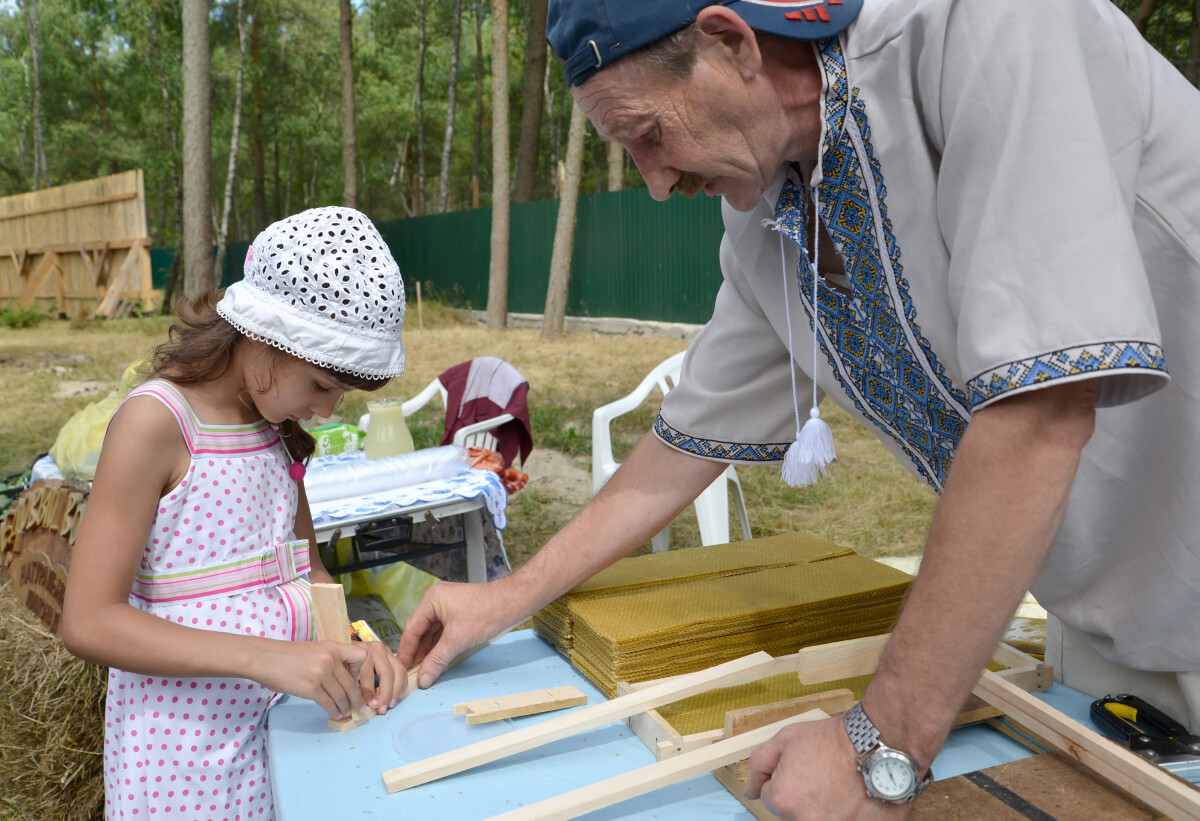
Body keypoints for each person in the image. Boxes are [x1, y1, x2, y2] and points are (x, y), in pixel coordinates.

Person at [398, 0, 1200, 817]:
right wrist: (505, 596)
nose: (655, 181)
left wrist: (879, 740)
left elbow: (1040, 414)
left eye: (647, 134)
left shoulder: (992, 26)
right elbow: (683, 447)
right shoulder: (765, 212)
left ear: (731, 43)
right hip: (1112, 639)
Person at [62, 206, 409, 821]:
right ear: (266, 337)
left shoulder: (277, 425)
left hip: (283, 733)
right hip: (183, 760)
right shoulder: (159, 424)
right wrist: (266, 657)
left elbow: (312, 575)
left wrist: (354, 641)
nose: (327, 411)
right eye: (322, 385)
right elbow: (90, 621)